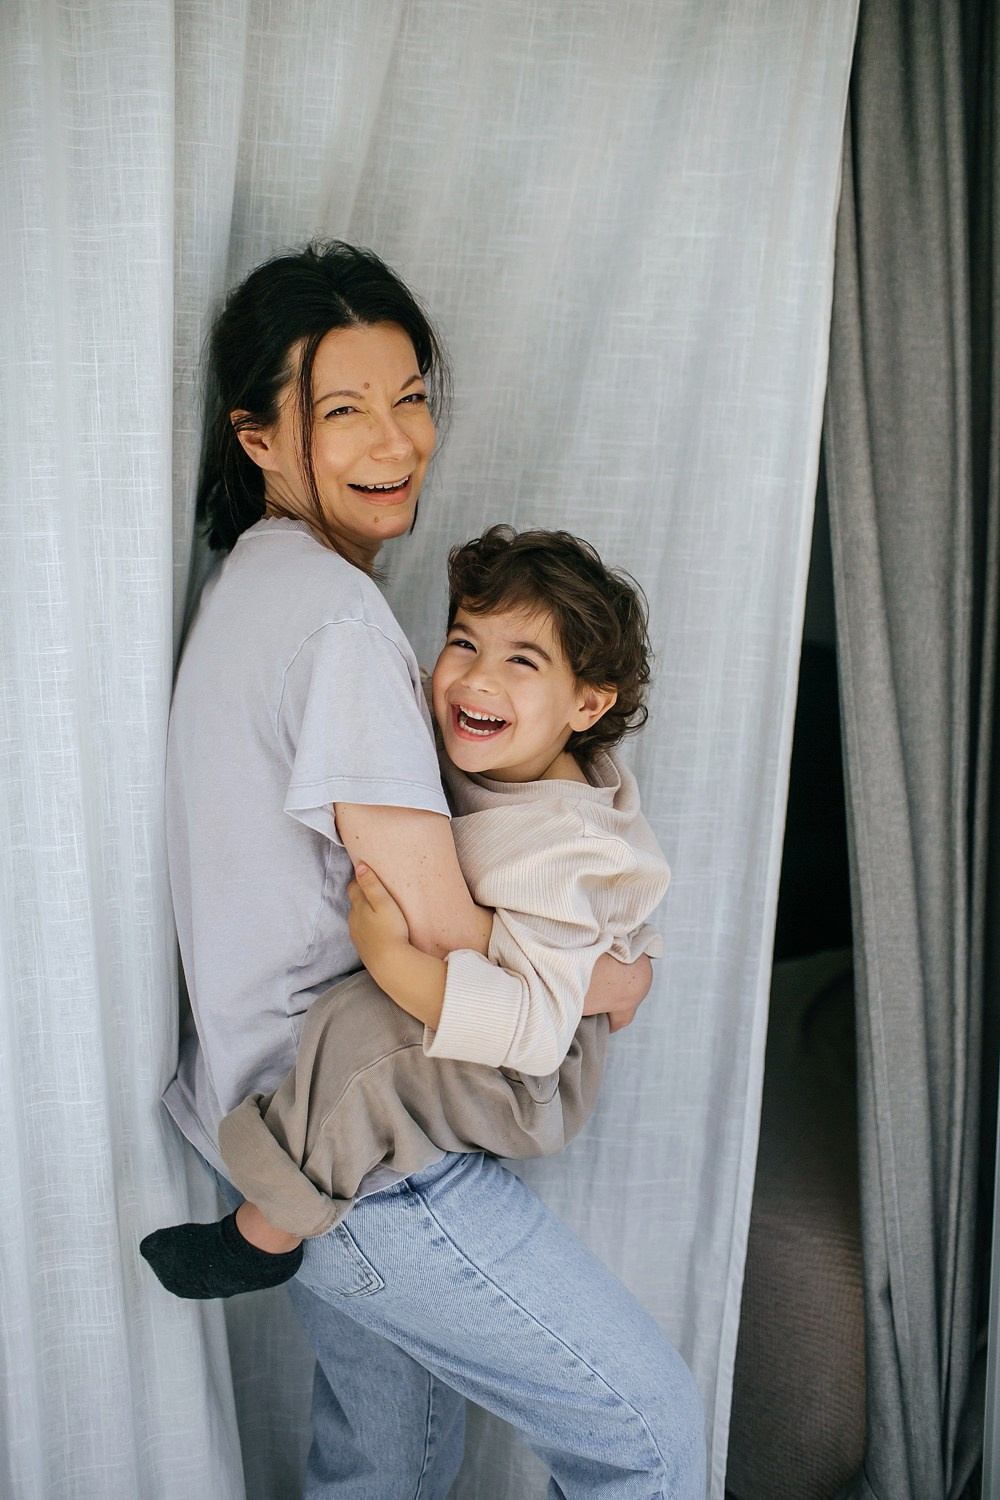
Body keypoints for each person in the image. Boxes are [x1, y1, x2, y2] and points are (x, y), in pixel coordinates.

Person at [152, 240, 705, 1499]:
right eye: (340, 410)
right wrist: (596, 992)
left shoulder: (255, 586)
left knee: (381, 1465)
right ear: (258, 438)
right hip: (372, 1154)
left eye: (408, 398)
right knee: (649, 1435)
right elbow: (447, 942)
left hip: (274, 1112)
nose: (392, 440)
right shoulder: (341, 626)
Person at [141, 524, 670, 1298]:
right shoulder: (483, 742)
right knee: (348, 1018)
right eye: (464, 642)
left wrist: (392, 960)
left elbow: (532, 1026)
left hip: (534, 1071)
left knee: (364, 1035)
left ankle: (266, 1232)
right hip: (512, 1012)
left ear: (587, 702)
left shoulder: (569, 846)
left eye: (521, 661)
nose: (475, 680)